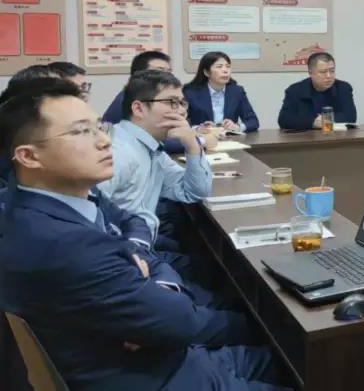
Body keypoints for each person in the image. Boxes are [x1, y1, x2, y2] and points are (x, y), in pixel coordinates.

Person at [0, 79, 287, 391]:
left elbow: (132, 220)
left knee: (291, 354)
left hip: (174, 358)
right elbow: (180, 321)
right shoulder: (64, 243)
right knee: (288, 343)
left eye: (99, 127)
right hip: (159, 376)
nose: (104, 141)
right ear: (29, 156)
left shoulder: (68, 196)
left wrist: (145, 268)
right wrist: (150, 276)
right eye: (81, 131)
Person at [96, 70, 213, 248]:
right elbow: (88, 221)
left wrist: (192, 145)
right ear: (138, 109)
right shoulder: (117, 153)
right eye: (172, 102)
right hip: (124, 251)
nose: (182, 111)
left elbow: (194, 192)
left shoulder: (152, 149)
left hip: (142, 243)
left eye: (182, 103)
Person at [277, 52, 357, 130]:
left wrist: (325, 120)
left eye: (332, 71)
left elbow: (351, 117)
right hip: (306, 137)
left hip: (336, 137)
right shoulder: (295, 90)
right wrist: (313, 122)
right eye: (323, 72)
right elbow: (284, 120)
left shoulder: (343, 88)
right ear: (311, 73)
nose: (328, 76)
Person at [183, 51, 260, 133]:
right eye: (219, 67)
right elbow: (182, 121)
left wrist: (237, 127)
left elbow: (253, 121)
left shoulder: (237, 91)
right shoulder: (190, 93)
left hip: (230, 139)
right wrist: (197, 128)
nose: (225, 70)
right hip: (202, 139)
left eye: (228, 66)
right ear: (206, 72)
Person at [103, 51, 173, 123]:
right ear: (139, 74)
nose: (167, 77)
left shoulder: (156, 96)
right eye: (159, 71)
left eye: (169, 72)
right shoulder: (126, 99)